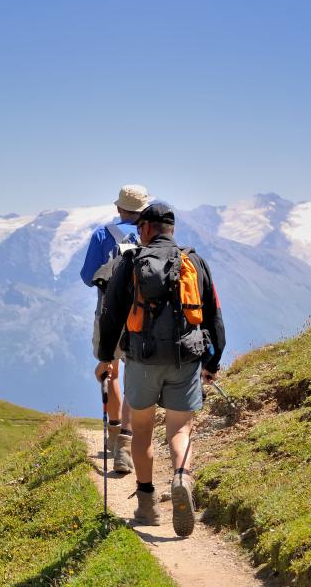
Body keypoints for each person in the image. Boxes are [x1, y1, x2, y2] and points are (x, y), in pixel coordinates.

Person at [94, 202, 225, 537]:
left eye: (140, 228)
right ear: (172, 229)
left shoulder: (133, 260)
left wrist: (106, 357)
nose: (139, 233)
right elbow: (214, 314)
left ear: (148, 229)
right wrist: (212, 361)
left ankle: (147, 504)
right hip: (186, 359)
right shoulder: (192, 261)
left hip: (142, 361)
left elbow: (112, 314)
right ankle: (182, 475)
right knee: (180, 430)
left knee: (142, 431)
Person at [80, 184, 151, 474]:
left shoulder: (102, 234)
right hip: (142, 317)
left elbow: (87, 277)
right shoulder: (152, 232)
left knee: (109, 371)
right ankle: (125, 442)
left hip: (109, 313)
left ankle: (113, 431)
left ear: (118, 207)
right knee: (134, 374)